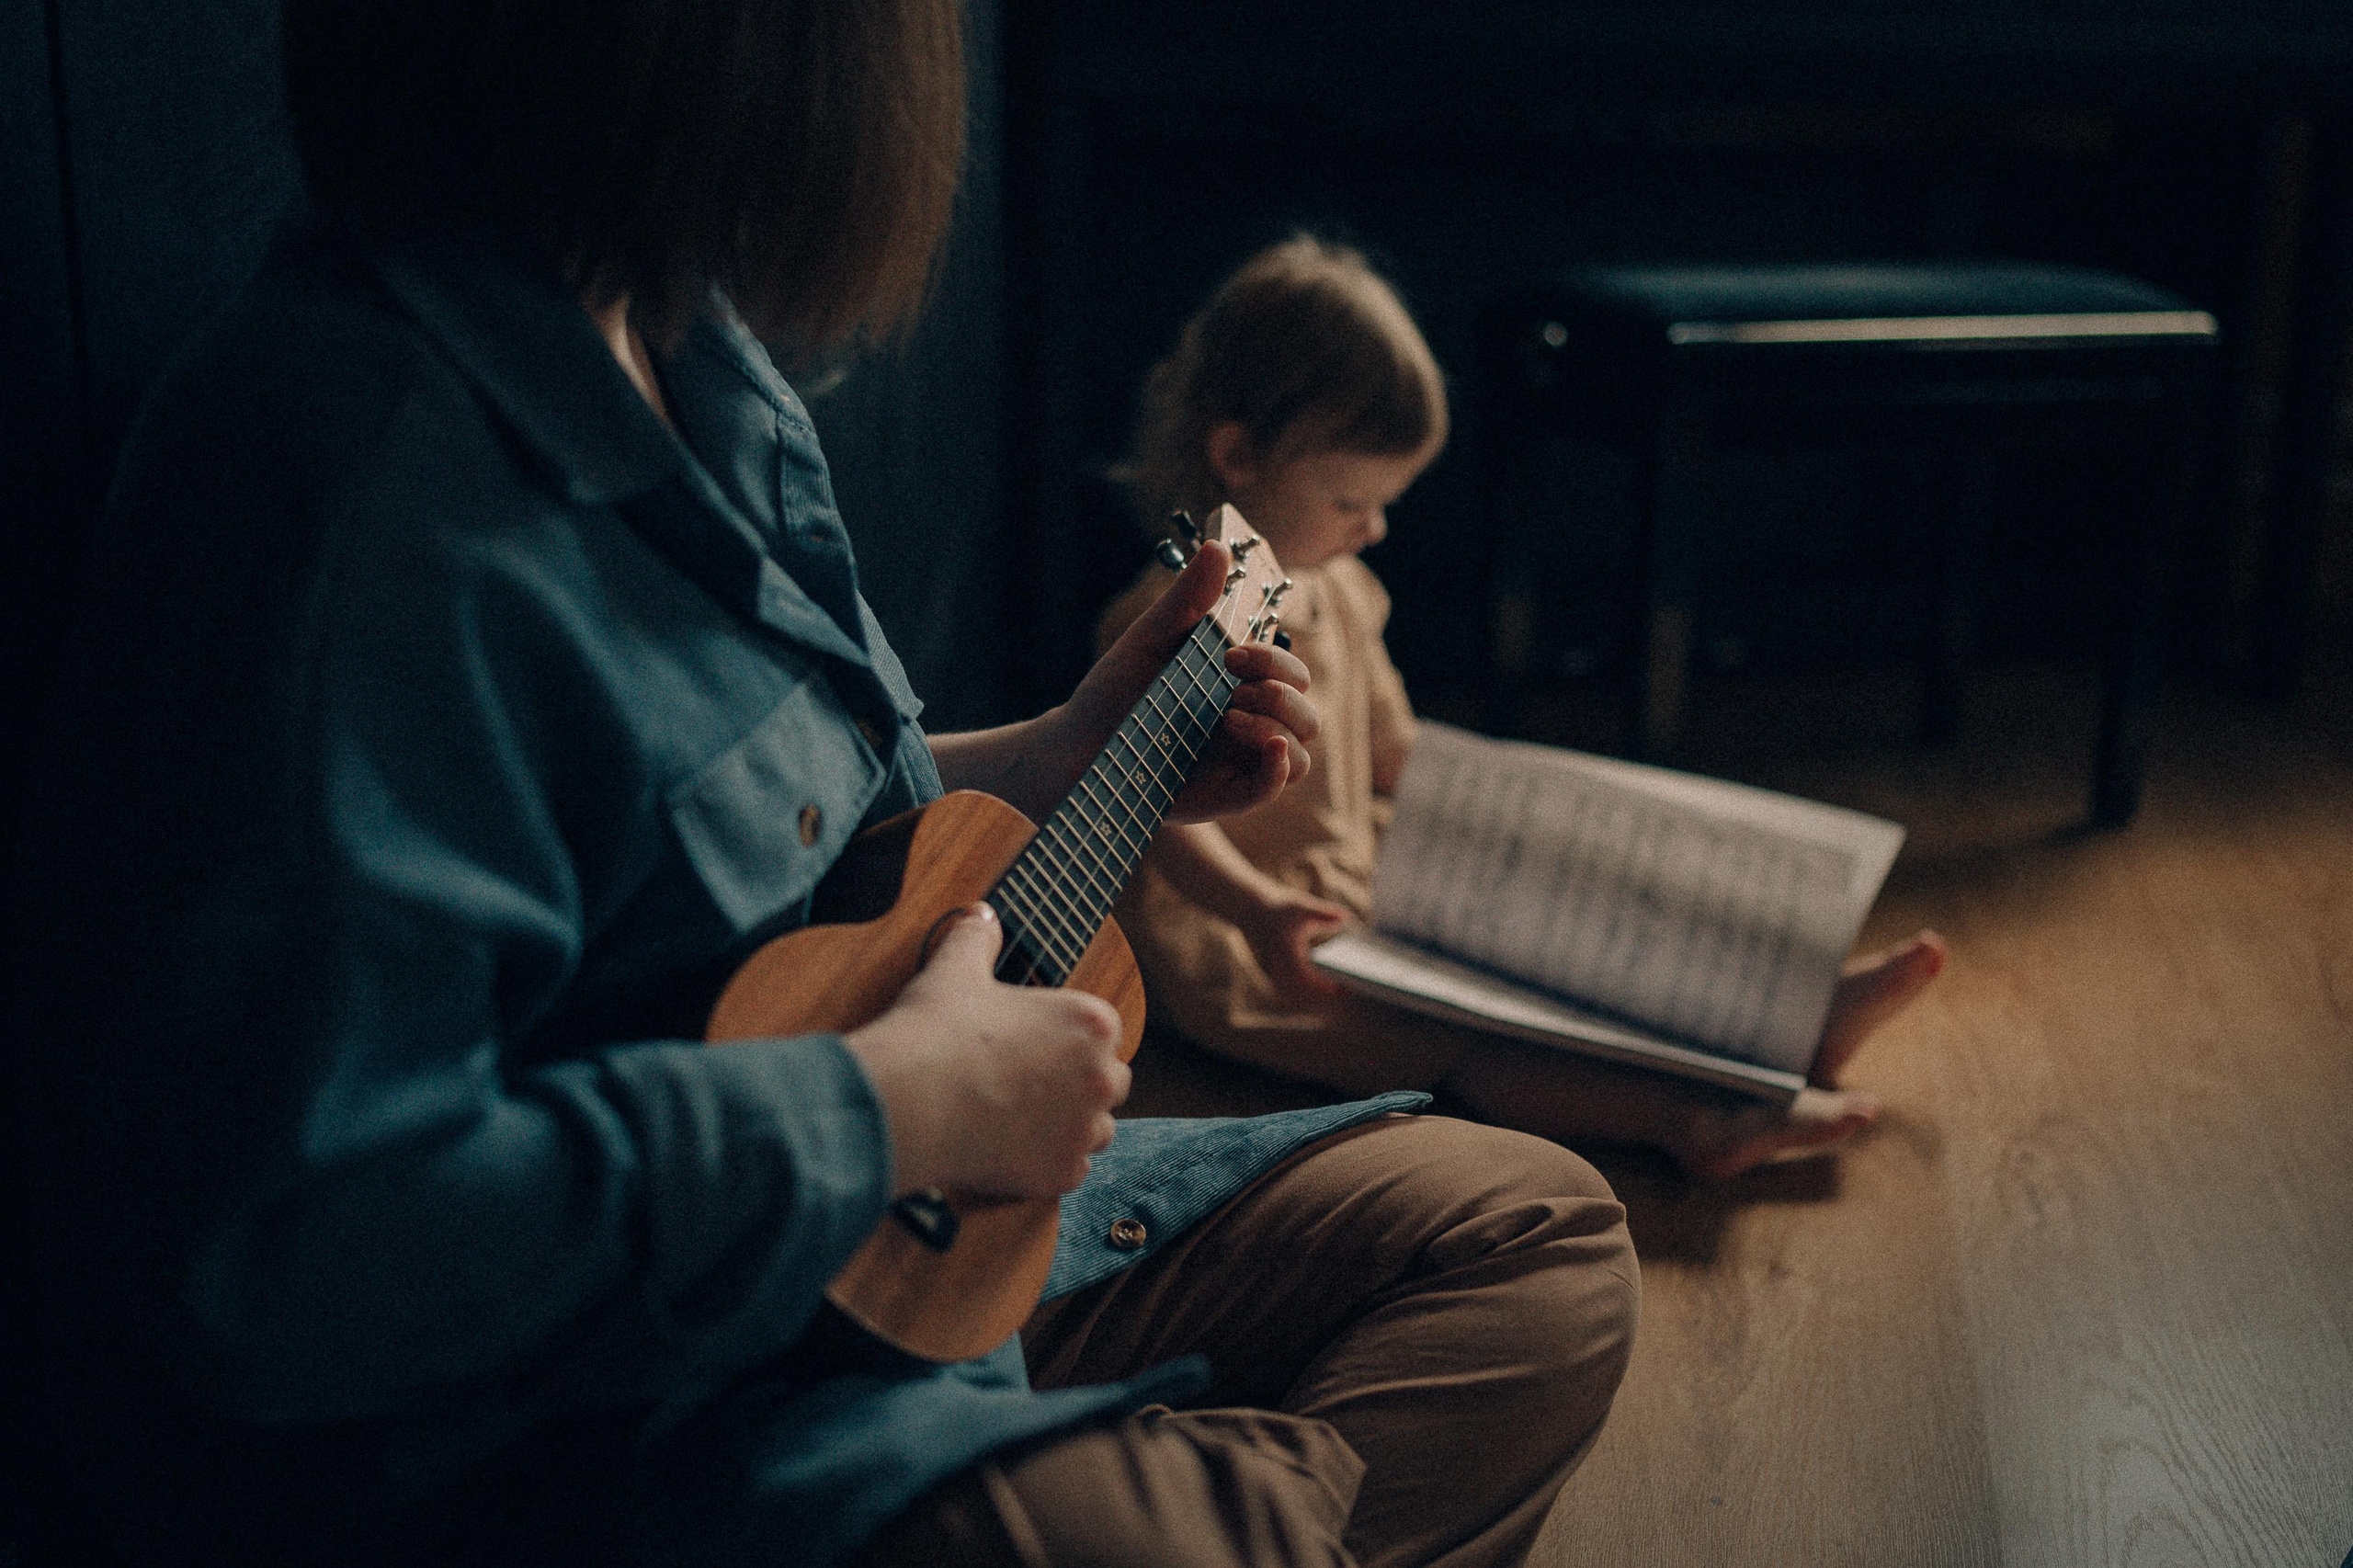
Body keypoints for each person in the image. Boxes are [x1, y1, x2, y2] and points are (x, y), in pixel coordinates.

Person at [1, 6, 1639, 1567]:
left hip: (916, 1250)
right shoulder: (343, 498)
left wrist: (1068, 748)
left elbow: (832, 830)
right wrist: (888, 1108)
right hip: (633, 1416)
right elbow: (296, 1248)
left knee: (1540, 1242)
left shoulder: (693, 360)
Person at [1097, 236, 1948, 1182]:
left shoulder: (1339, 585)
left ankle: (1792, 1013)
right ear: (1237, 455)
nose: (1372, 527)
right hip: (1242, 925)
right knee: (1462, 1040)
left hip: (1358, 863)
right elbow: (1152, 816)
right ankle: (1687, 1118)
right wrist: (1255, 910)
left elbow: (1391, 752)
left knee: (1578, 924)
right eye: (1349, 497)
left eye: (1386, 502)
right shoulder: (1167, 620)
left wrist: (1533, 826)